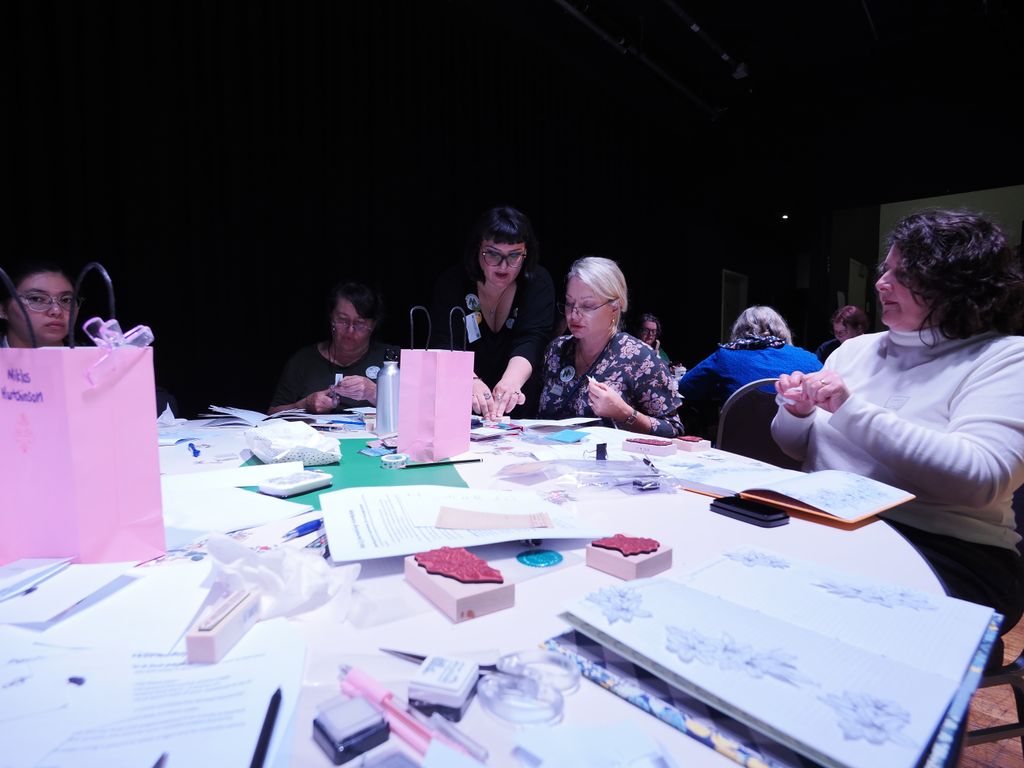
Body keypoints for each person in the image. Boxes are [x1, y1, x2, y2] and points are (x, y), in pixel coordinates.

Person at [772, 209, 1024, 630]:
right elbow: (799, 449)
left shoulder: (1004, 357)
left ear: (957, 284)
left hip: (947, 547)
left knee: (809, 612)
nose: (881, 283)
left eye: (904, 275)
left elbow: (982, 478)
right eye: (885, 270)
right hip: (833, 524)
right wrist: (797, 414)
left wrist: (850, 410)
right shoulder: (853, 351)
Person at [430, 206, 555, 419]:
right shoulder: (452, 283)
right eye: (493, 254)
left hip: (517, 403)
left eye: (514, 256)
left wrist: (510, 384)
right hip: (459, 402)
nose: (503, 266)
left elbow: (533, 340)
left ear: (526, 253)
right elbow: (445, 344)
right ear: (478, 249)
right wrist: (469, 381)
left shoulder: (537, 283)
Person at [537, 257, 684, 436]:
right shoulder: (556, 351)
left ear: (614, 308)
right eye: (569, 303)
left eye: (587, 305)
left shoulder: (640, 358)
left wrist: (624, 413)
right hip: (553, 459)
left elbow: (673, 430)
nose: (574, 314)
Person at [270, 282, 398, 414]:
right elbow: (272, 413)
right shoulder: (304, 360)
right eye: (343, 320)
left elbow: (416, 414)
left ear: (373, 324)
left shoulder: (392, 360)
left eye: (360, 324)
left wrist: (375, 393)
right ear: (331, 318)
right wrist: (303, 404)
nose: (350, 330)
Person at [678, 305, 822, 406]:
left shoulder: (726, 356)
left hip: (735, 445)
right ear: (781, 329)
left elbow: (684, 387)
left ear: (739, 329)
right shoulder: (809, 359)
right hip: (794, 444)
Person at [0, 261, 77, 347]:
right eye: (37, 299)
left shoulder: (91, 358)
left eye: (66, 300)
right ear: (2, 309)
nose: (57, 311)